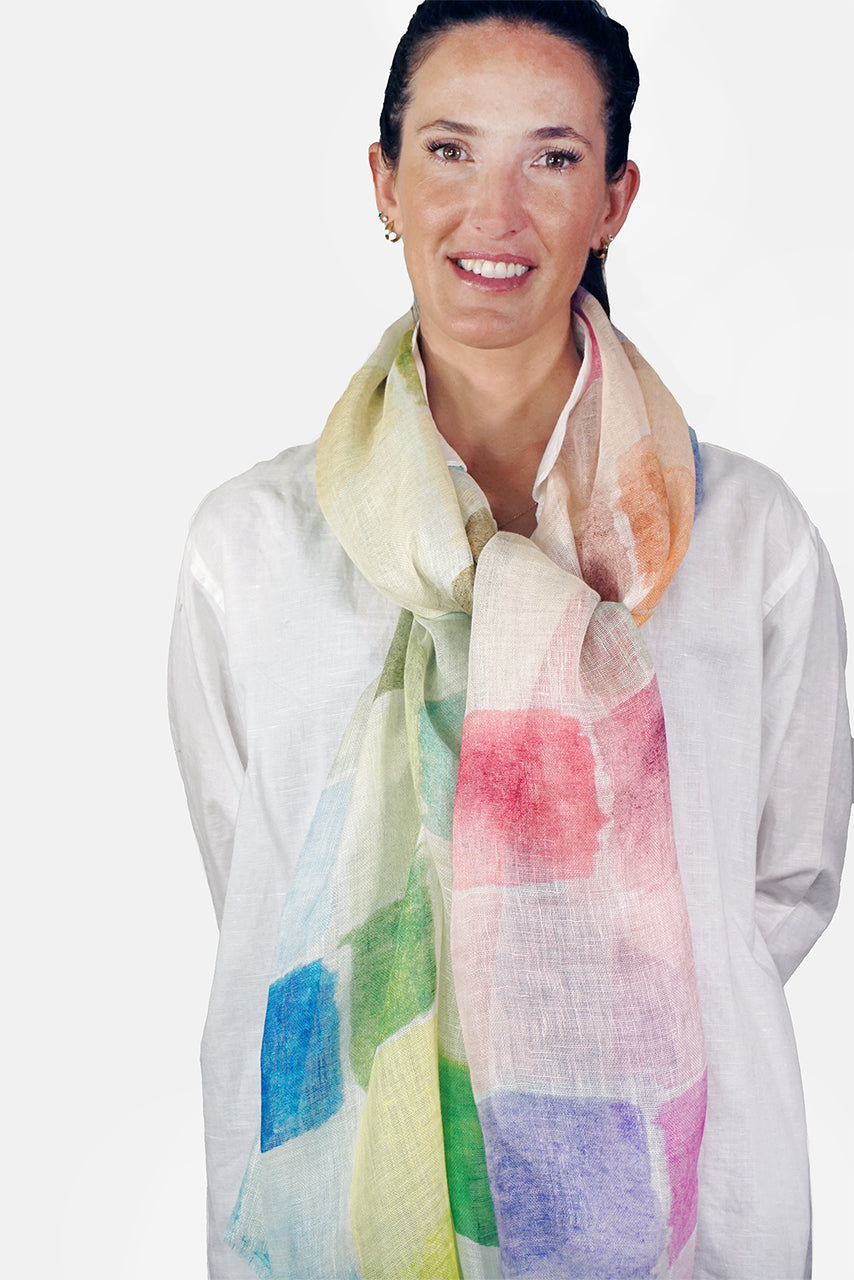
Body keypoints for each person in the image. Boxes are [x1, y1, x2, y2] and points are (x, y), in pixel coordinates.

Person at [168, 2, 851, 1277]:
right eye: (447, 150)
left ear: (612, 200)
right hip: (337, 1218)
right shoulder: (254, 548)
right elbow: (254, 871)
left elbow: (785, 880)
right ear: (383, 184)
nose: (493, 212)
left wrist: (591, 1003)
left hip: (682, 1209)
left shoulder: (744, 539)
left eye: (550, 156)